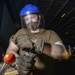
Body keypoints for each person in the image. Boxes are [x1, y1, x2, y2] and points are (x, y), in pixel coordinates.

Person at [6, 4, 71, 75]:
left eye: (33, 17)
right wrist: (18, 62)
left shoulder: (50, 33)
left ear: (39, 17)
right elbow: (10, 50)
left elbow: (63, 53)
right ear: (24, 21)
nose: (30, 21)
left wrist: (37, 44)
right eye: (27, 19)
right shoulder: (21, 32)